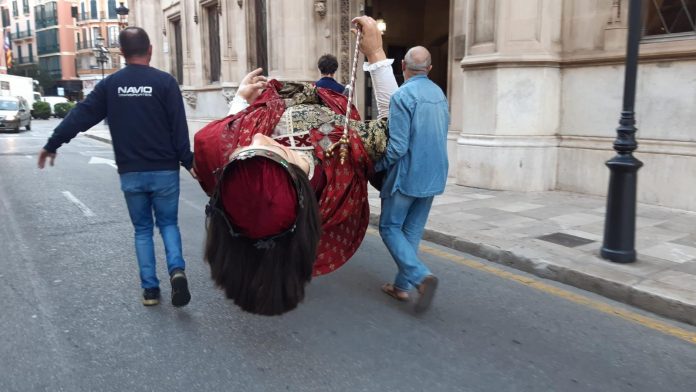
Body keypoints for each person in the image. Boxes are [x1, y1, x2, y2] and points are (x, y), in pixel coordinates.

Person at [194, 16, 397, 316]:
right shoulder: (335, 150)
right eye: (271, 151)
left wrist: (239, 100)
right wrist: (376, 56)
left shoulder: (242, 184)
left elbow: (214, 142)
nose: (261, 135)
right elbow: (393, 126)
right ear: (297, 179)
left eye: (247, 151)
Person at [37, 27, 195, 308]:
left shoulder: (111, 86)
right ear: (150, 49)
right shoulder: (165, 83)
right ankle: (177, 270)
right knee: (169, 223)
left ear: (121, 53)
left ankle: (150, 291)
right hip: (165, 172)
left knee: (143, 230)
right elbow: (178, 128)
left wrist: (53, 144)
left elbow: (80, 116)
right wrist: (189, 160)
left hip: (131, 173)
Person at [376, 46, 449, 313]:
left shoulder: (402, 95)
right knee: (411, 231)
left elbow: (396, 147)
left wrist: (376, 165)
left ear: (403, 68)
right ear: (429, 69)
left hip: (408, 175)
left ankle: (419, 277)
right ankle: (401, 287)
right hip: (434, 175)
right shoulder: (439, 93)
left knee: (389, 227)